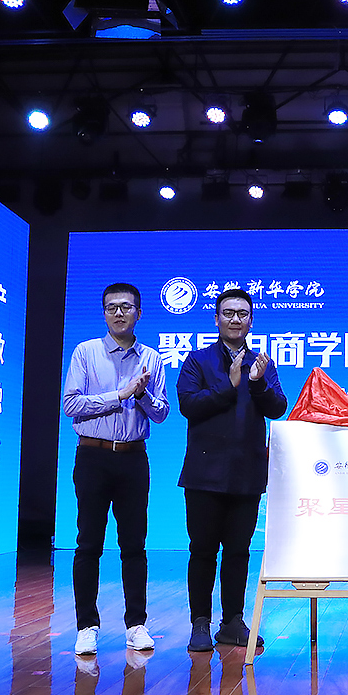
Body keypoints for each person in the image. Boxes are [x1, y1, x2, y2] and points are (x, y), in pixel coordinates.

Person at [175, 288, 289, 651]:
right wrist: (230, 384)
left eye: (242, 314)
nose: (235, 319)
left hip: (247, 472)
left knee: (239, 551)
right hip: (204, 474)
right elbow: (189, 405)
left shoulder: (262, 363)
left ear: (251, 321)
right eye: (228, 313)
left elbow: (278, 407)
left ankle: (233, 622)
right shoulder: (197, 361)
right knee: (203, 550)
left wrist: (256, 383)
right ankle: (200, 623)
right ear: (216, 319)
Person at [61, 282, 169, 657]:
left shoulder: (151, 358)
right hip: (92, 456)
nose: (119, 313)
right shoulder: (85, 352)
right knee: (88, 543)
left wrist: (141, 395)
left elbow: (161, 412)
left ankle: (136, 624)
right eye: (112, 307)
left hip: (133, 458)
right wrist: (119, 395)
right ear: (104, 313)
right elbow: (71, 405)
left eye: (126, 307)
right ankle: (86, 626)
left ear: (139, 313)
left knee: (134, 544)